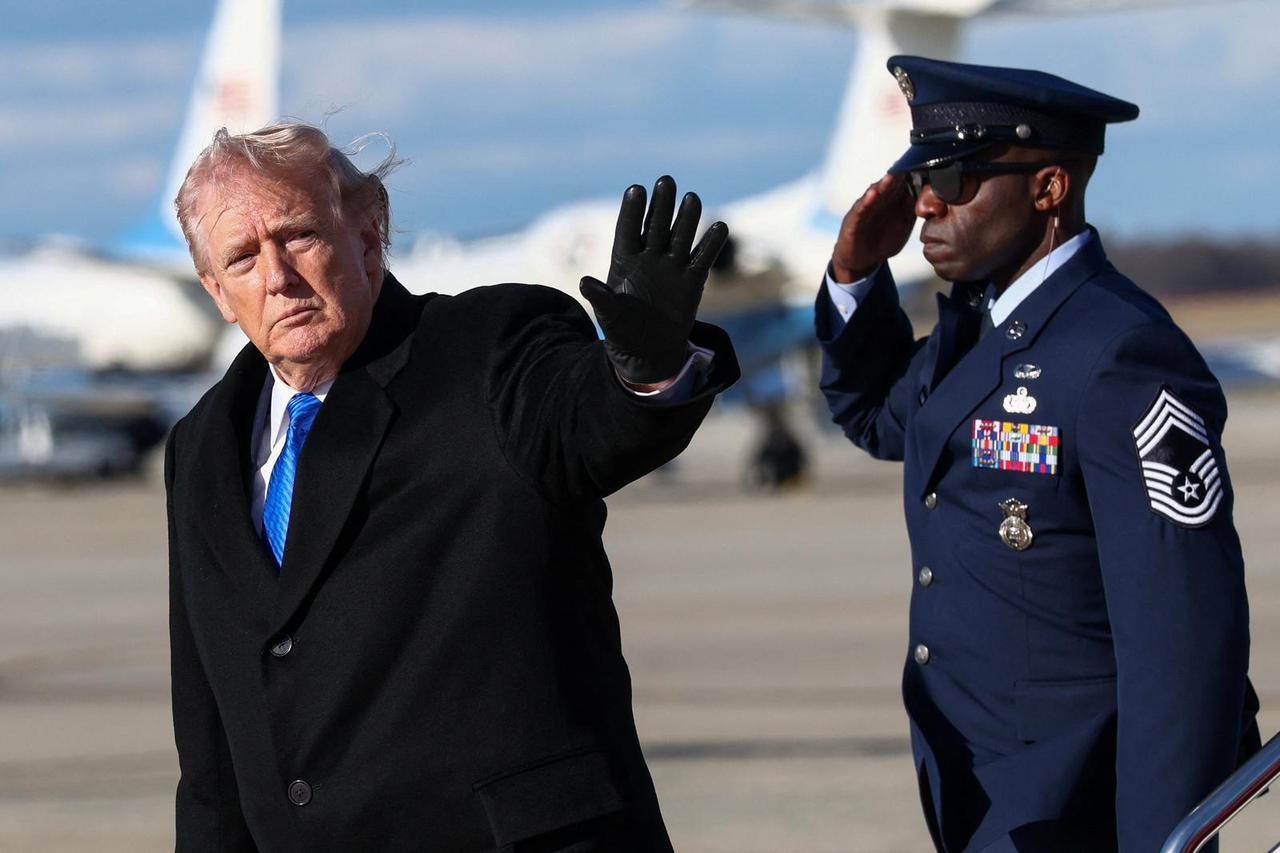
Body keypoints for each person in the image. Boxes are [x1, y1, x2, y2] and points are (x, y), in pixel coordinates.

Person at [165, 122, 737, 851]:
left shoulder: (488, 349)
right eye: (243, 257)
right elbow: (211, 745)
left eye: (299, 235)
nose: (277, 276)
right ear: (217, 290)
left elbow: (591, 423)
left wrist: (640, 369)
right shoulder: (201, 446)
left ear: (369, 234)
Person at [815, 56, 1259, 852]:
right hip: (983, 793)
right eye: (919, 175)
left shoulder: (1121, 352)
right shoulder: (981, 332)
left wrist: (1173, 838)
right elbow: (877, 416)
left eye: (952, 178)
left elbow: (1184, 642)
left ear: (1048, 188)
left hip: (1079, 799)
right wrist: (853, 277)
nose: (924, 204)